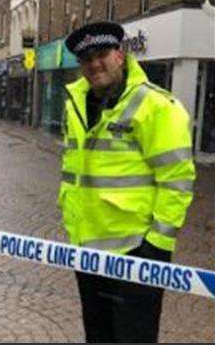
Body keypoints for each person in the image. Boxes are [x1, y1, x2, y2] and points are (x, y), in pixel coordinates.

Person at [59, 21, 196, 343]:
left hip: (137, 251)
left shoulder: (158, 106)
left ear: (120, 55)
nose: (94, 64)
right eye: (86, 58)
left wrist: (155, 247)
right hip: (87, 249)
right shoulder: (75, 103)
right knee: (98, 334)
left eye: (102, 54)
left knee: (134, 337)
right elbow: (72, 170)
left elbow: (177, 180)